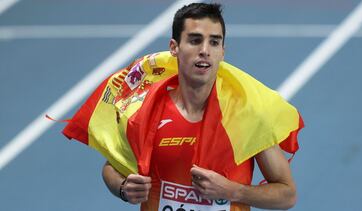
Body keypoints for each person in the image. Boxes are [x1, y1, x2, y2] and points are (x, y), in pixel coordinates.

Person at [63, 3, 303, 211]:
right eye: (195, 40)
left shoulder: (246, 113)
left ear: (222, 52)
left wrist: (232, 191)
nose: (205, 50)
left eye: (214, 42)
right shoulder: (146, 109)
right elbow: (111, 168)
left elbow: (287, 194)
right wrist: (124, 188)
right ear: (174, 47)